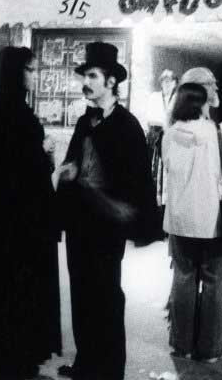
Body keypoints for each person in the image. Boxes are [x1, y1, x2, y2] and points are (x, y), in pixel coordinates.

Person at [56, 42, 156, 380]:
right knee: (81, 293)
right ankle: (86, 363)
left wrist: (134, 220)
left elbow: (139, 179)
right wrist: (69, 173)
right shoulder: (85, 121)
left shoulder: (127, 125)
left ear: (111, 81)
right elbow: (74, 162)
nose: (86, 82)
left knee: (107, 296)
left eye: (92, 76)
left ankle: (110, 371)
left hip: (106, 224)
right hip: (79, 222)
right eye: (84, 76)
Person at [0, 47, 61, 380]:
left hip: (7, 215)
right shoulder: (12, 109)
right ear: (15, 72)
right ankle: (13, 359)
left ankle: (7, 357)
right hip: (18, 218)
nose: (35, 75)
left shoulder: (5, 105)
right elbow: (20, 164)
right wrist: (43, 151)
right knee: (16, 284)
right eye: (30, 70)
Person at [163, 81, 222, 362]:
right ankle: (210, 349)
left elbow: (168, 167)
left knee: (183, 278)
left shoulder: (170, 134)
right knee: (214, 281)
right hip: (213, 218)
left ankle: (181, 344)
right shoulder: (219, 132)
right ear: (203, 103)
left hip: (180, 217)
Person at [145, 69, 178, 239]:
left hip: (172, 141)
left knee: (170, 181)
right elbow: (150, 118)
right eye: (164, 81)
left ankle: (168, 226)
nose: (167, 84)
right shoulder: (154, 97)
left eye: (170, 81)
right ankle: (155, 226)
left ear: (175, 83)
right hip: (156, 140)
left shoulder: (178, 98)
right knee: (155, 179)